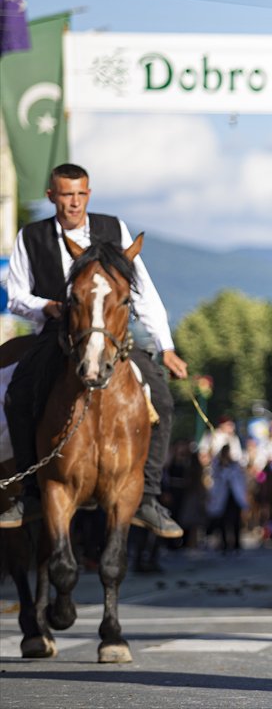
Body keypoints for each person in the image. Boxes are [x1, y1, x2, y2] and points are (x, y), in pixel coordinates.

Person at [1, 163, 186, 537]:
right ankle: (32, 494)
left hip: (112, 337)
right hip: (57, 333)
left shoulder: (113, 229)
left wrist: (165, 347)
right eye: (65, 194)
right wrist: (47, 307)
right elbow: (17, 295)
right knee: (19, 395)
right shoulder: (31, 237)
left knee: (162, 400)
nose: (73, 203)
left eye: (80, 194)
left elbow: (142, 290)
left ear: (89, 194)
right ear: (52, 196)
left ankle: (148, 498)